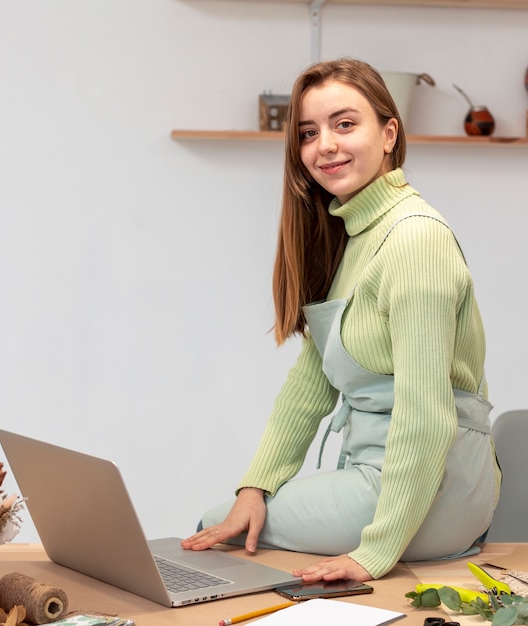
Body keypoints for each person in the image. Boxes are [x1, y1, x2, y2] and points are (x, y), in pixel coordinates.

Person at [181, 58, 501, 582]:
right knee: (236, 519)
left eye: (345, 124)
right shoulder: (355, 237)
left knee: (217, 531)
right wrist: (255, 486)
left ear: (389, 133)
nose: (324, 145)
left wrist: (373, 553)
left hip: (433, 488)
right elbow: (309, 385)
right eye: (309, 133)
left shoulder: (415, 240)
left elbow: (426, 418)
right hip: (378, 476)